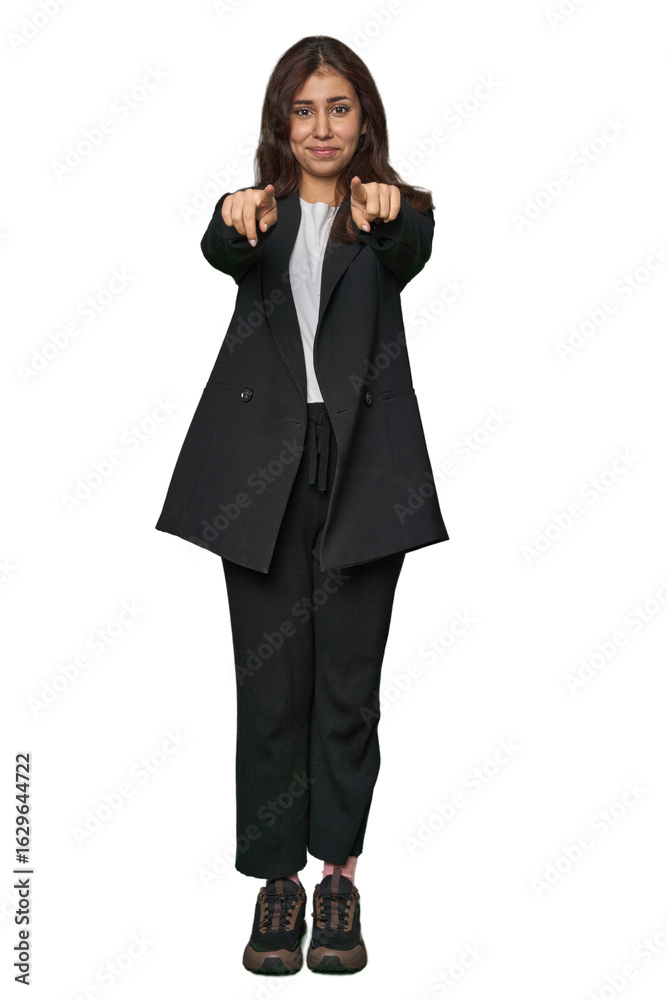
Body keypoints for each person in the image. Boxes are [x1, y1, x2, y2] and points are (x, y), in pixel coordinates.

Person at [155, 35, 449, 974]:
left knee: (347, 687)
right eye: (304, 109)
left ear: (364, 119)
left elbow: (408, 247)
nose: (322, 127)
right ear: (281, 123)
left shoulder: (395, 214)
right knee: (270, 685)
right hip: (263, 474)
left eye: (339, 107)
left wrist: (387, 209)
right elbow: (218, 245)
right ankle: (277, 879)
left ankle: (338, 874)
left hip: (364, 471)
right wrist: (231, 210)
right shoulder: (254, 215)